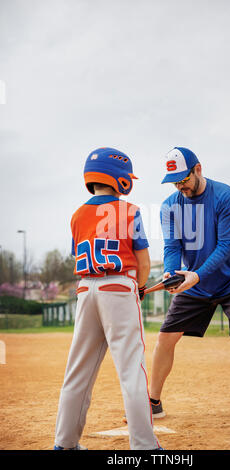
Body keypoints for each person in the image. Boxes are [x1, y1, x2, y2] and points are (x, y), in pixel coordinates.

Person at [148, 146, 230, 428]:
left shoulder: (226, 197)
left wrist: (196, 275)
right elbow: (172, 247)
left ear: (198, 169)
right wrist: (174, 274)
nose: (180, 186)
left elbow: (229, 246)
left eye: (184, 179)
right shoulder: (170, 206)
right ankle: (153, 402)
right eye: (175, 182)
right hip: (194, 283)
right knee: (165, 338)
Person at [54, 147, 162, 450]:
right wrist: (139, 288)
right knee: (131, 371)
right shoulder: (131, 211)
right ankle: (144, 446)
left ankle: (65, 443)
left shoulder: (76, 215)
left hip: (86, 291)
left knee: (78, 371)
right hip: (119, 288)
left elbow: (78, 253)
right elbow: (143, 263)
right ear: (120, 178)